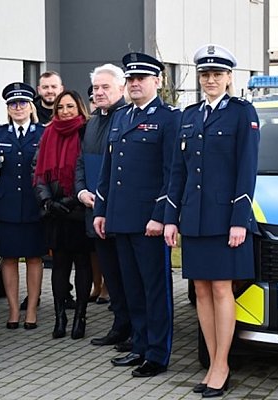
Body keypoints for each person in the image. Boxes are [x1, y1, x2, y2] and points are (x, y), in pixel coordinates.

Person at [163, 44, 260, 397]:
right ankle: (212, 360)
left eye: (217, 74)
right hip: (193, 217)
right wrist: (170, 218)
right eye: (205, 74)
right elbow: (178, 172)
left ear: (229, 77)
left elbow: (247, 170)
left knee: (221, 289)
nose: (210, 80)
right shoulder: (188, 116)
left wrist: (239, 219)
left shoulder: (241, 113)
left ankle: (222, 364)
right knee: (201, 289)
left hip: (225, 218)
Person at [93, 52, 180, 378]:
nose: (134, 84)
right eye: (130, 79)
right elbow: (107, 171)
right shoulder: (121, 117)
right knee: (132, 288)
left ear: (156, 81)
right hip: (121, 218)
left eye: (140, 79)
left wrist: (161, 215)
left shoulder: (169, 118)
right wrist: (101, 211)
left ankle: (158, 354)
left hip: (149, 222)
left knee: (155, 289)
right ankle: (140, 346)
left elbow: (172, 172)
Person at [0, 82, 46, 330]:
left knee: (33, 258)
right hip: (6, 205)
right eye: (12, 104)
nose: (18, 108)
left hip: (34, 205)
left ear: (31, 106)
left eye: (22, 103)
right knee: (8, 259)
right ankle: (12, 311)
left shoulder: (42, 133)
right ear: (8, 109)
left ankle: (31, 309)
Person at [76, 64, 131, 349]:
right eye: (96, 88)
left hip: (121, 213)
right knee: (110, 271)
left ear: (121, 88)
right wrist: (81, 191)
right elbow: (82, 162)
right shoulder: (93, 122)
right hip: (94, 210)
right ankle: (120, 326)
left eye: (105, 87)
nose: (99, 92)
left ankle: (134, 328)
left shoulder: (127, 118)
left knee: (127, 274)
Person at [33, 90, 94, 340]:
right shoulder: (48, 132)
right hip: (55, 212)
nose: (65, 111)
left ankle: (80, 317)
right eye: (60, 107)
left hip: (79, 210)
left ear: (79, 108)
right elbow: (37, 171)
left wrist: (72, 200)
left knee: (82, 264)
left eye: (70, 106)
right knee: (59, 266)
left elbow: (88, 168)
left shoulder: (86, 132)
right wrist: (47, 201)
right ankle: (60, 318)